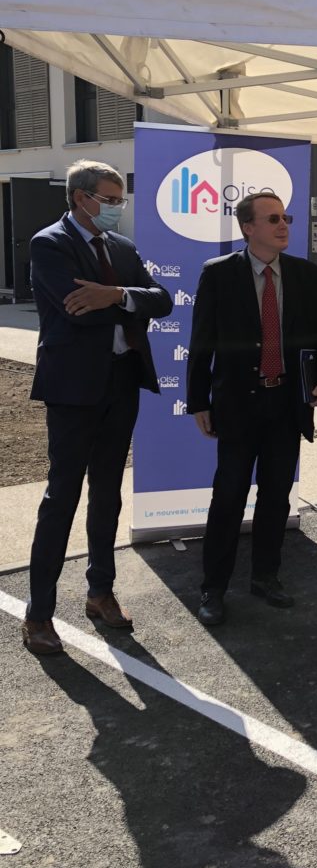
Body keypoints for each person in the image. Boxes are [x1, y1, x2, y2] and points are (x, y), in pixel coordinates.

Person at [22, 159, 172, 654]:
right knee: (61, 497)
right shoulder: (50, 244)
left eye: (119, 198)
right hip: (73, 389)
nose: (117, 206)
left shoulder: (121, 248)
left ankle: (100, 592)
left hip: (121, 382)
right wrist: (128, 302)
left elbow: (163, 300)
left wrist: (116, 294)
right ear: (80, 198)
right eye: (108, 199)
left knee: (107, 493)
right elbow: (76, 311)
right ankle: (38, 614)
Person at [187, 192, 317, 626]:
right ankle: (214, 587)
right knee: (229, 496)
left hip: (286, 403)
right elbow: (202, 341)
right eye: (272, 219)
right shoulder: (219, 274)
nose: (283, 225)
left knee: (276, 496)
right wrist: (198, 399)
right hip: (237, 405)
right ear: (248, 228)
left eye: (285, 217)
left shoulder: (305, 275)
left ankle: (266, 576)